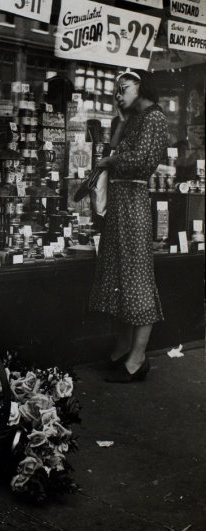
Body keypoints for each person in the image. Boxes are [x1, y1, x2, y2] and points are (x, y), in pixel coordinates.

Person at [89, 69, 168, 383]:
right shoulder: (133, 118)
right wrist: (120, 121)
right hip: (121, 203)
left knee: (135, 279)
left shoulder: (155, 118)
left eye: (123, 89)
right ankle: (123, 349)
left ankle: (137, 360)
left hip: (133, 201)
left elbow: (144, 161)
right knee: (120, 274)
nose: (119, 96)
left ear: (141, 86)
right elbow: (118, 148)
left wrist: (110, 160)